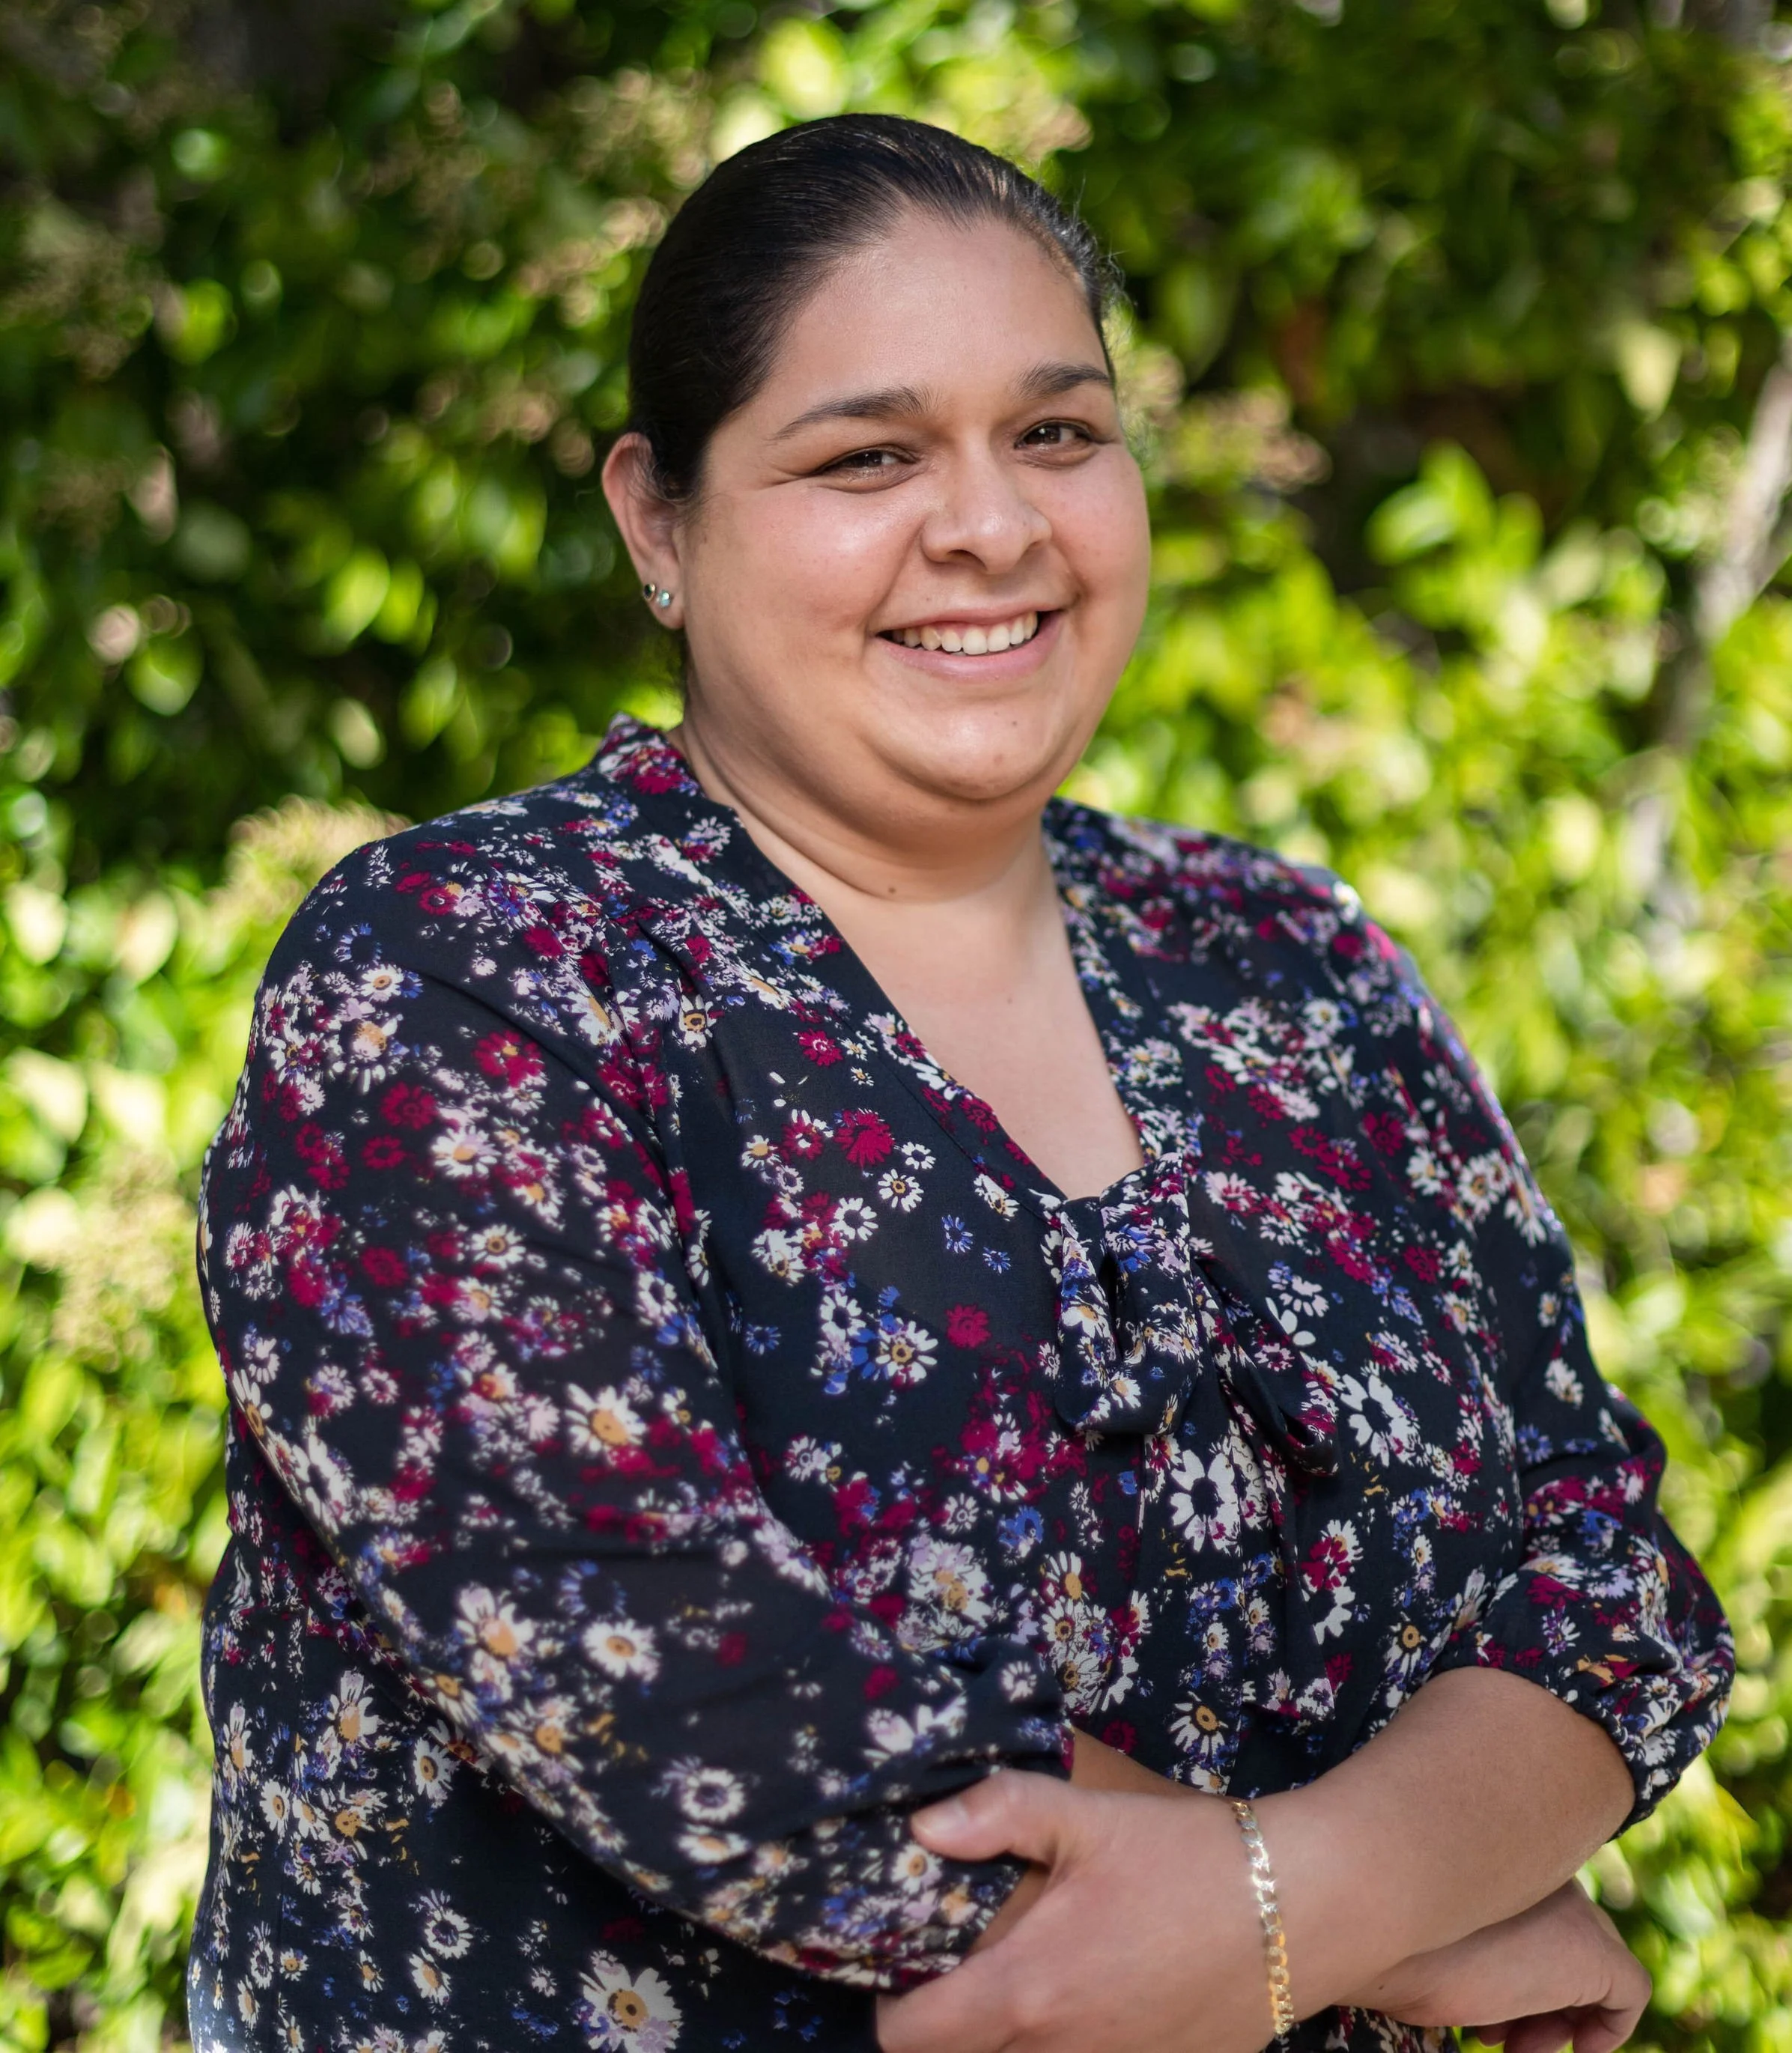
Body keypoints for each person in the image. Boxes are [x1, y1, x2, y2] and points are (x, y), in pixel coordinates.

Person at [186, 114, 1732, 2053]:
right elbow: (679, 1681)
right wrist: (1402, 1928)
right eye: (868, 456)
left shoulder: (1290, 963)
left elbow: (1602, 1564)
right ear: (658, 522)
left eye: (1058, 432)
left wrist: (1314, 1895)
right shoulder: (470, 976)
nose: (994, 527)